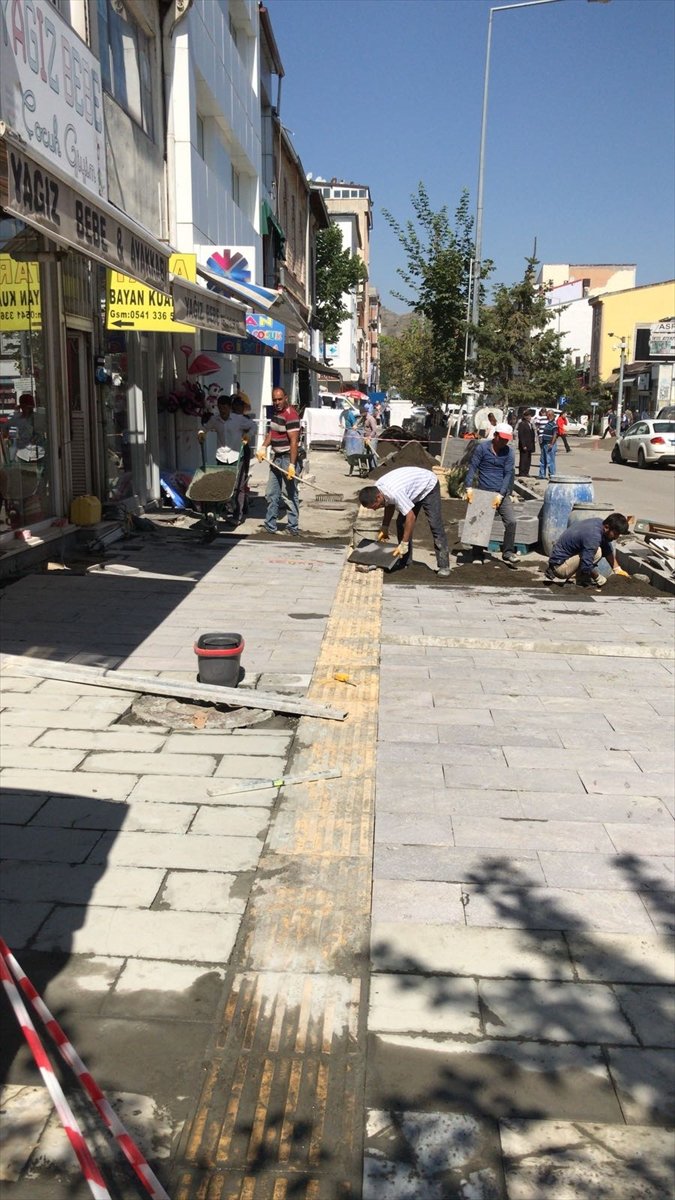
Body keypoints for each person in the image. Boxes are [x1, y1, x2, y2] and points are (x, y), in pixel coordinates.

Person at [358, 466, 450, 576]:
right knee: (401, 524)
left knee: (435, 525)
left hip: (428, 485)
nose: (374, 509)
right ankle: (405, 561)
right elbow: (389, 503)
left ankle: (444, 566)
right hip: (412, 489)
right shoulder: (379, 487)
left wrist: (404, 543)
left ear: (378, 497)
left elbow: (411, 517)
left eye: (374, 506)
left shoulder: (395, 492)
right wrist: (385, 527)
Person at [463, 422, 519, 567]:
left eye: (507, 439)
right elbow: (473, 467)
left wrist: (501, 494)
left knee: (511, 521)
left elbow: (508, 474)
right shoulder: (482, 448)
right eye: (502, 438)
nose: (504, 442)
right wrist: (468, 487)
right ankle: (477, 553)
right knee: (480, 523)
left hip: (501, 493)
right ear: (495, 436)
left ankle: (507, 552)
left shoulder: (509, 453)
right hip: (483, 491)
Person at [256, 386, 300, 536]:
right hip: (277, 458)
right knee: (271, 493)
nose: (277, 402)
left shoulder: (291, 415)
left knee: (289, 495)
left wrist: (292, 465)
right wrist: (263, 447)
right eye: (274, 400)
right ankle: (270, 525)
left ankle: (293, 527)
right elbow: (272, 432)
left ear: (286, 398)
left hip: (288, 458)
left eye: (280, 399)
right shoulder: (277, 413)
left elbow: (294, 441)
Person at [544, 513, 630, 587]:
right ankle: (573, 581)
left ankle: (578, 578)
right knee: (597, 552)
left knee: (600, 547)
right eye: (615, 534)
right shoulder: (593, 536)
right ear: (607, 527)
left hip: (562, 560)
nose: (616, 537)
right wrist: (598, 578)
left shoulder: (599, 524)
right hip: (559, 567)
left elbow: (607, 548)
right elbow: (586, 564)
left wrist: (617, 569)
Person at [538, 410, 559, 479]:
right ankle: (542, 475)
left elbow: (555, 435)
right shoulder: (547, 423)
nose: (546, 416)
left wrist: (551, 444)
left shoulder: (554, 424)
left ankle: (552, 475)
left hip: (550, 444)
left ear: (550, 415)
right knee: (543, 460)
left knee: (550, 461)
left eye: (547, 415)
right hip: (544, 443)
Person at [516, 410, 536, 478]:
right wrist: (523, 445)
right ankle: (522, 472)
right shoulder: (522, 424)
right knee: (523, 459)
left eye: (530, 416)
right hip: (524, 445)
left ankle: (526, 472)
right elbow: (521, 435)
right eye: (528, 416)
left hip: (530, 444)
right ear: (525, 417)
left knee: (528, 459)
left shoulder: (530, 424)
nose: (530, 417)